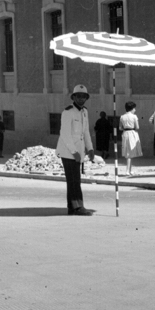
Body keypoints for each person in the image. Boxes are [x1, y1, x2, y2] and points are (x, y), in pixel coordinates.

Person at [56, 85, 95, 216]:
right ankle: (78, 207)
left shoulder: (85, 112)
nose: (81, 99)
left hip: (78, 151)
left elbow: (86, 131)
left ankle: (72, 207)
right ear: (74, 97)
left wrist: (90, 148)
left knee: (74, 180)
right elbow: (64, 134)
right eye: (78, 96)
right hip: (68, 151)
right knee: (74, 180)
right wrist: (74, 152)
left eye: (83, 97)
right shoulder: (68, 112)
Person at [120, 101, 142, 176]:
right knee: (130, 153)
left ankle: (130, 170)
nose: (135, 110)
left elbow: (120, 127)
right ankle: (127, 170)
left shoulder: (122, 116)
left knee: (128, 151)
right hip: (132, 133)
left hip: (125, 133)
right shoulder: (134, 116)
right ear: (131, 108)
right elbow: (137, 127)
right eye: (134, 108)